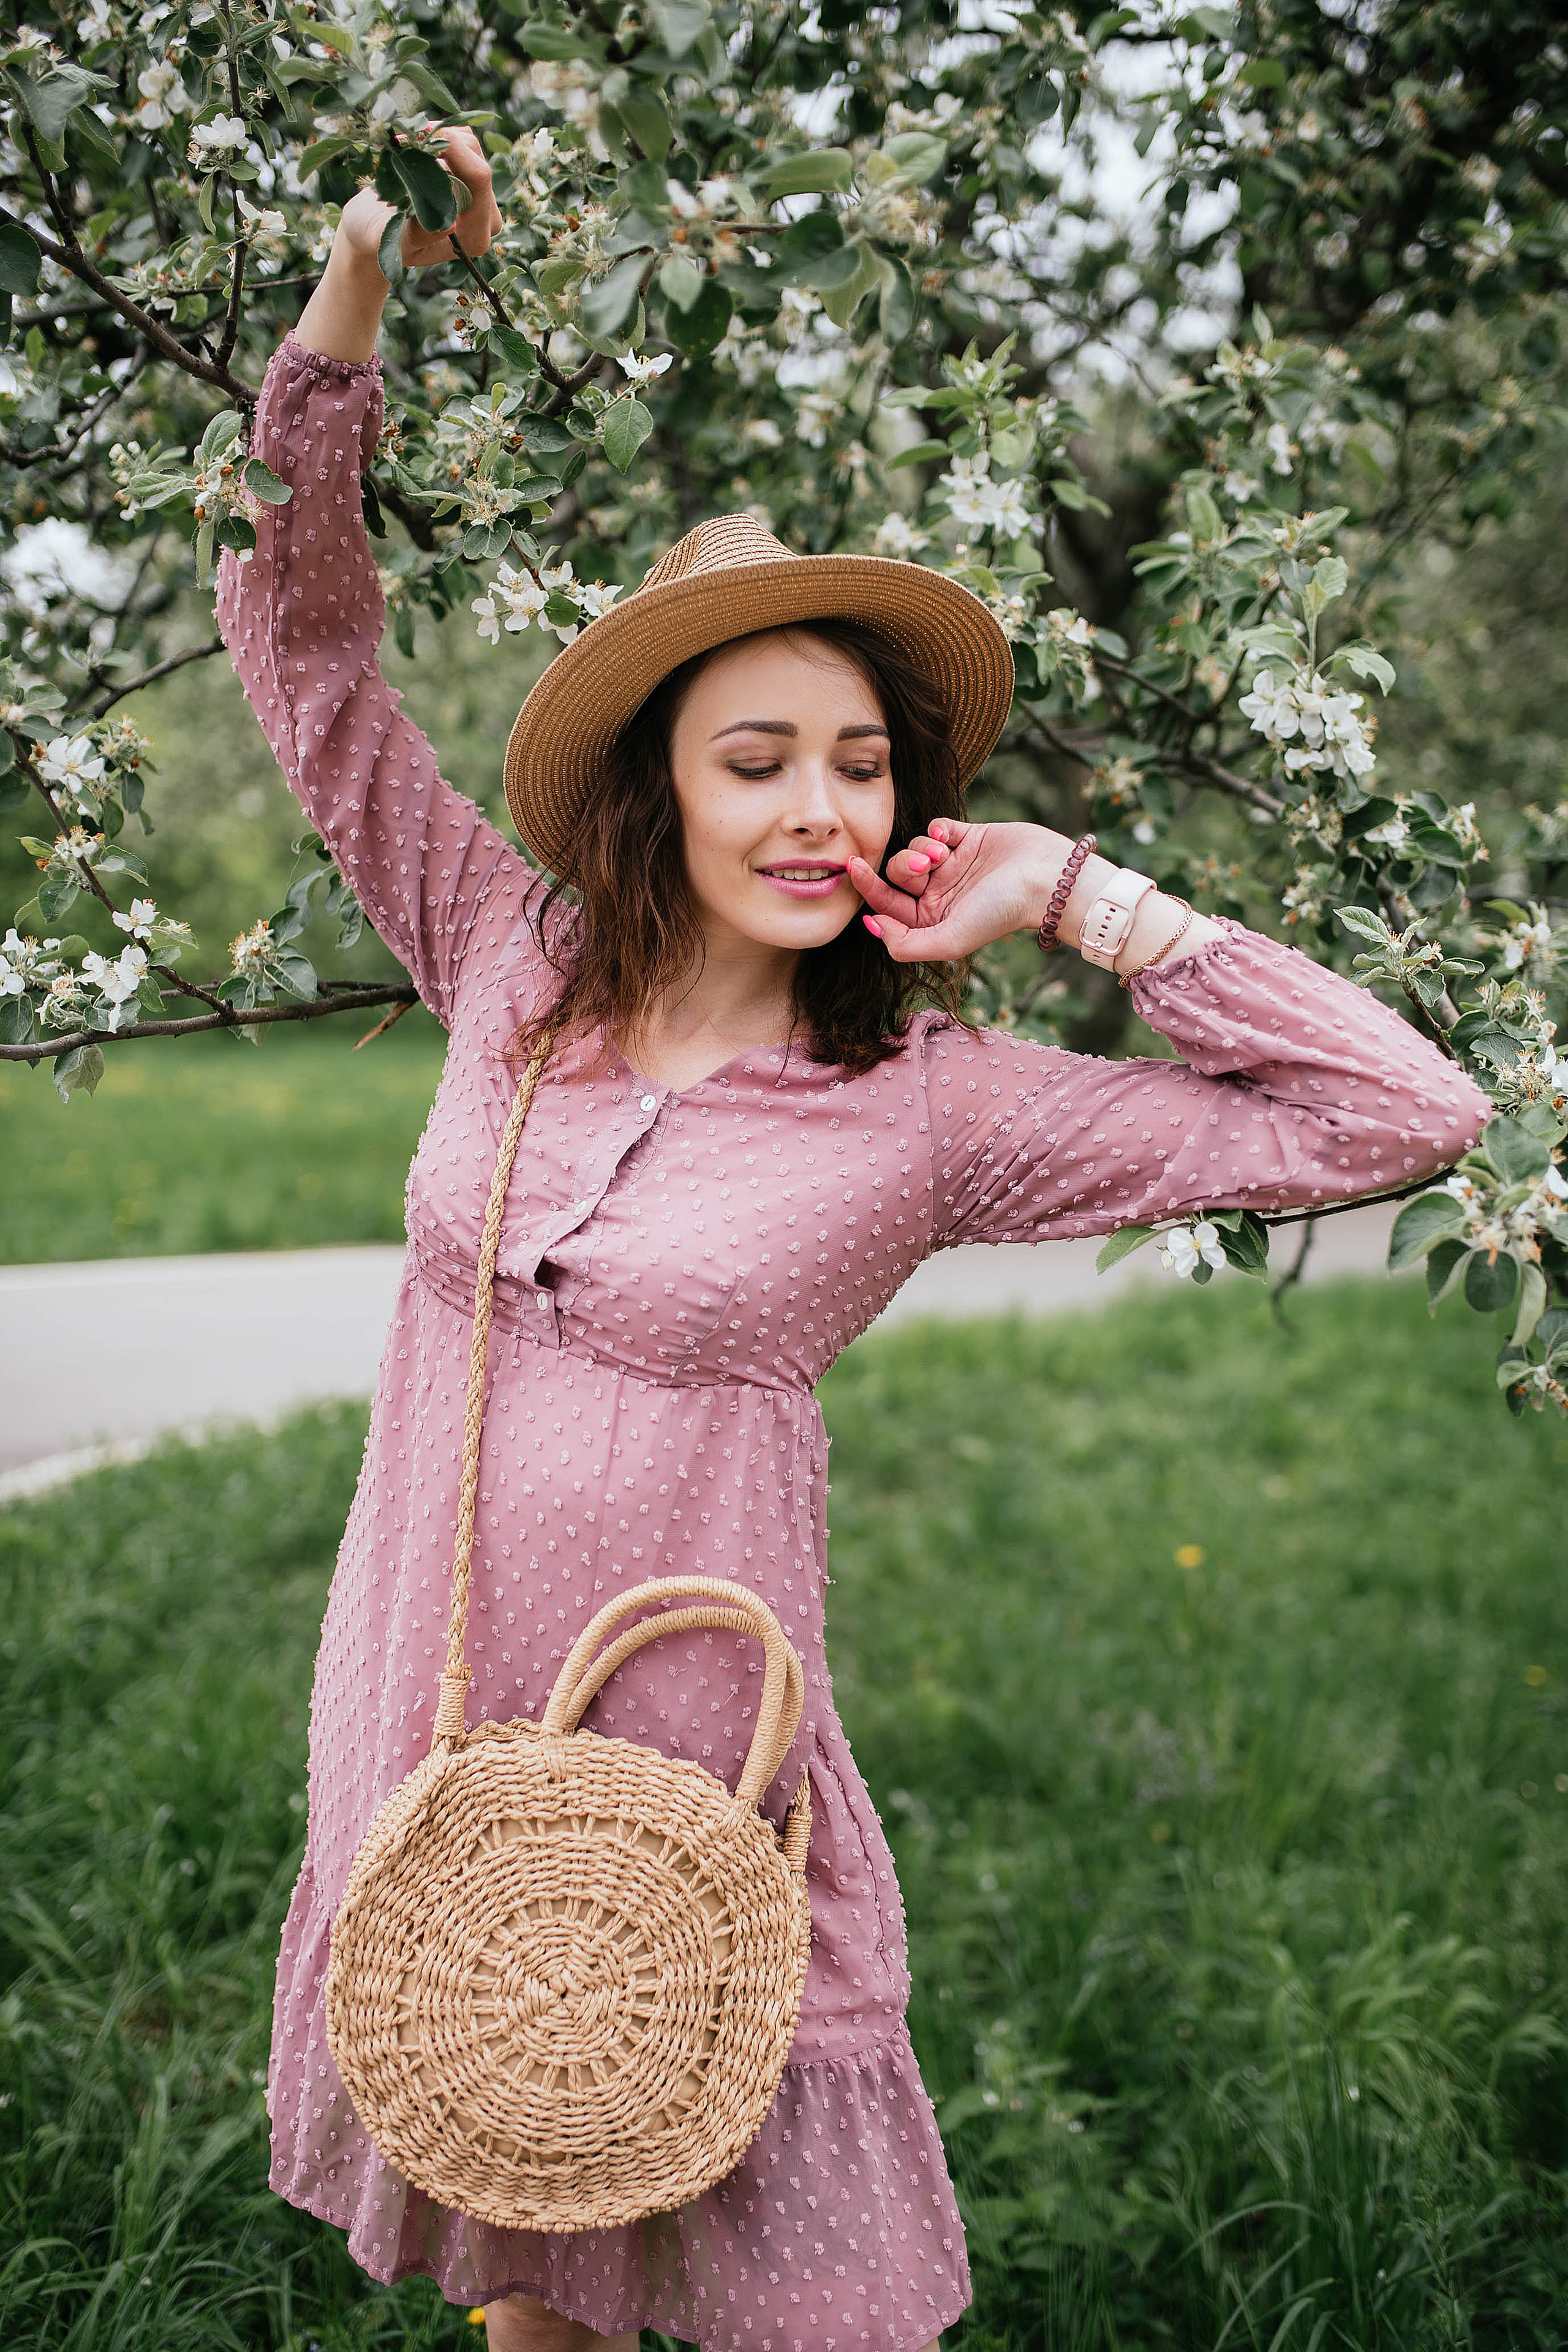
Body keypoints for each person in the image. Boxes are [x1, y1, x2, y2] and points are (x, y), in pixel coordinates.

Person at [214, 126, 1489, 2352]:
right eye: (757, 762)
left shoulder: (939, 1102)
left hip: (702, 1723)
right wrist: (354, 278)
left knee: (793, 2255)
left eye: (863, 764)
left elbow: (1399, 1115)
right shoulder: (509, 962)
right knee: (529, 2214)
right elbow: (305, 646)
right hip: (422, 1676)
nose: (823, 810)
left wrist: (1091, 898)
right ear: (654, 794)